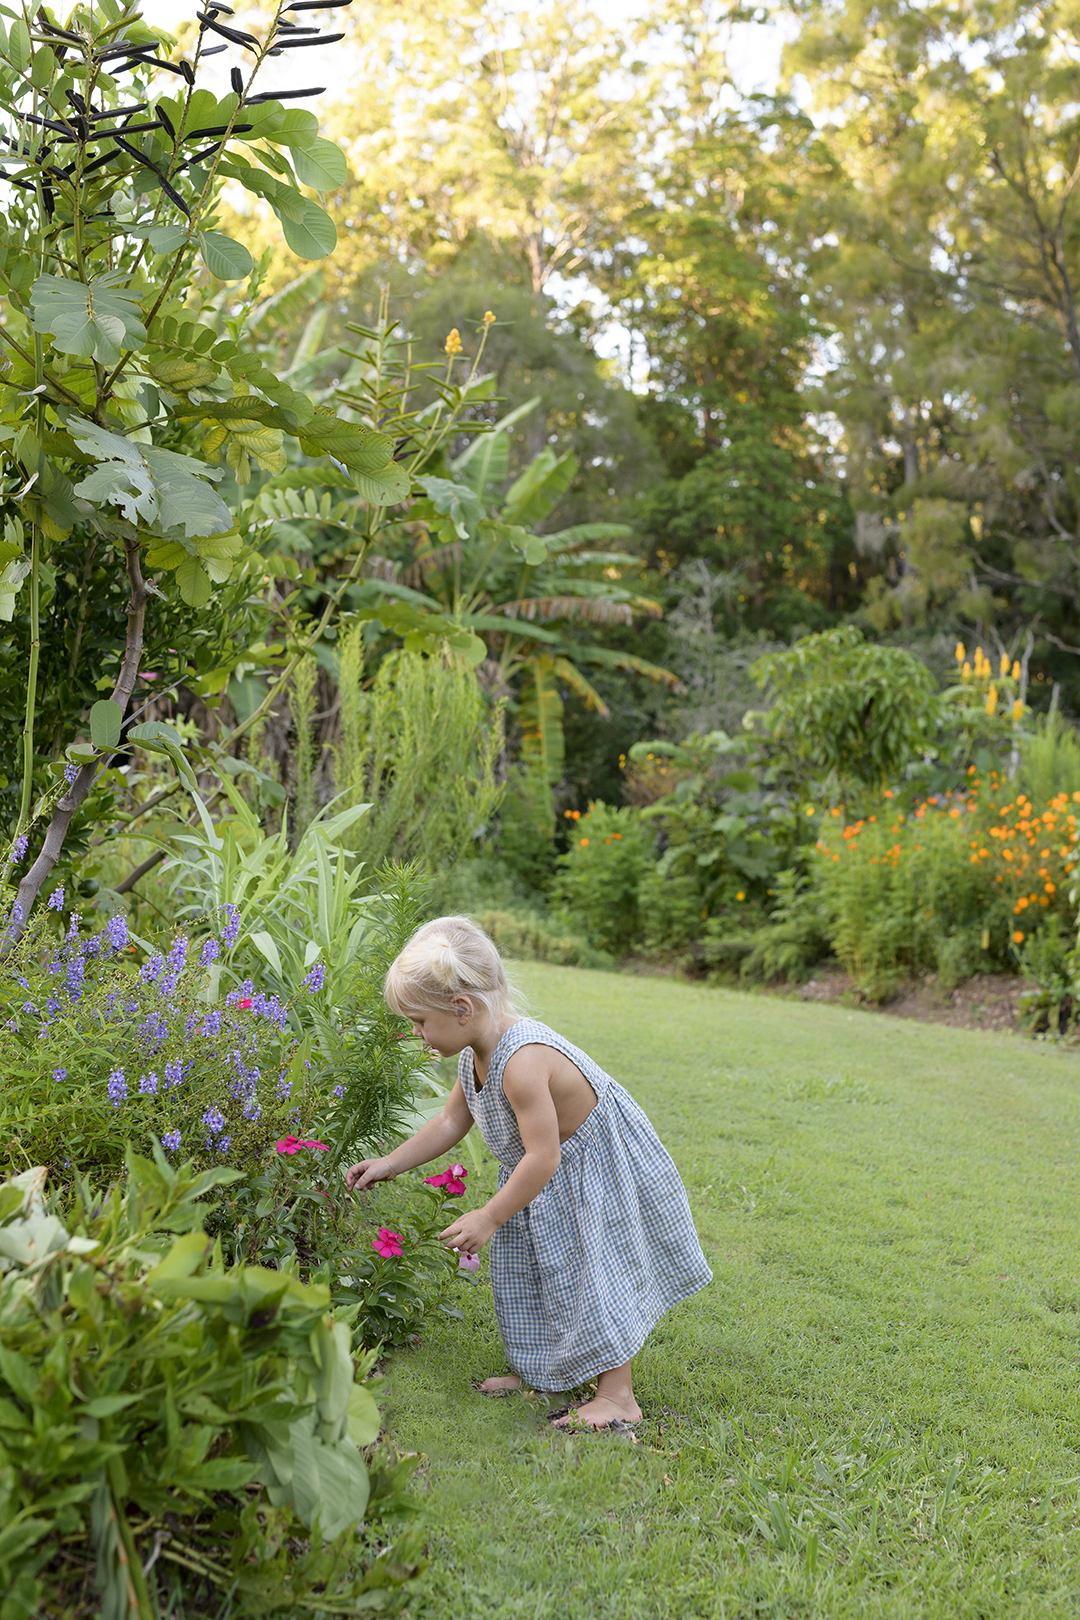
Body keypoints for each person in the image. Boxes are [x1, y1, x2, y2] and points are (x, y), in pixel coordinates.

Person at [345, 916, 712, 1430]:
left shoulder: (522, 1060)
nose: (416, 1034)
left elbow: (544, 1156)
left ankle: (618, 1396)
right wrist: (390, 1162)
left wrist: (490, 1216)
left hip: (590, 1167)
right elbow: (453, 1120)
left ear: (461, 1008)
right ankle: (553, 1373)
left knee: (592, 1273)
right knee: (538, 1273)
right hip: (546, 1171)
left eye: (420, 1022)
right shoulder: (473, 1052)